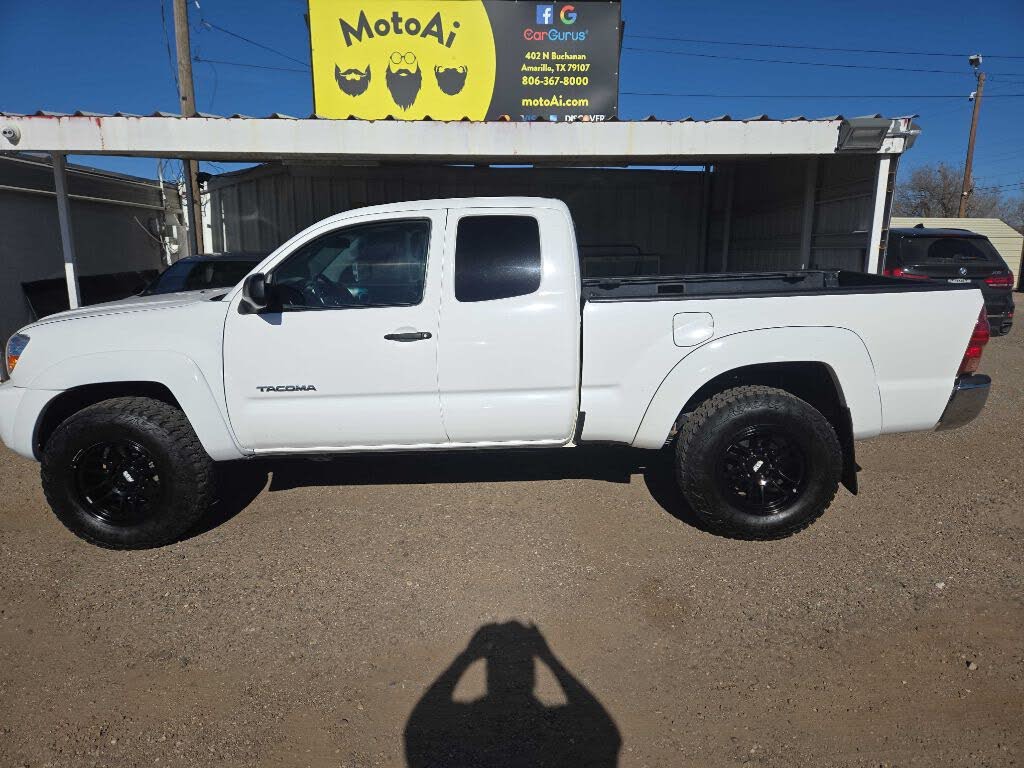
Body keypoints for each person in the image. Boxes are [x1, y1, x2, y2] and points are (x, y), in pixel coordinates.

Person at [404, 621, 621, 767]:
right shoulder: (554, 737)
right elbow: (604, 732)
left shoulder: (467, 740)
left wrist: (466, 658)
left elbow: (417, 730)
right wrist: (551, 659)